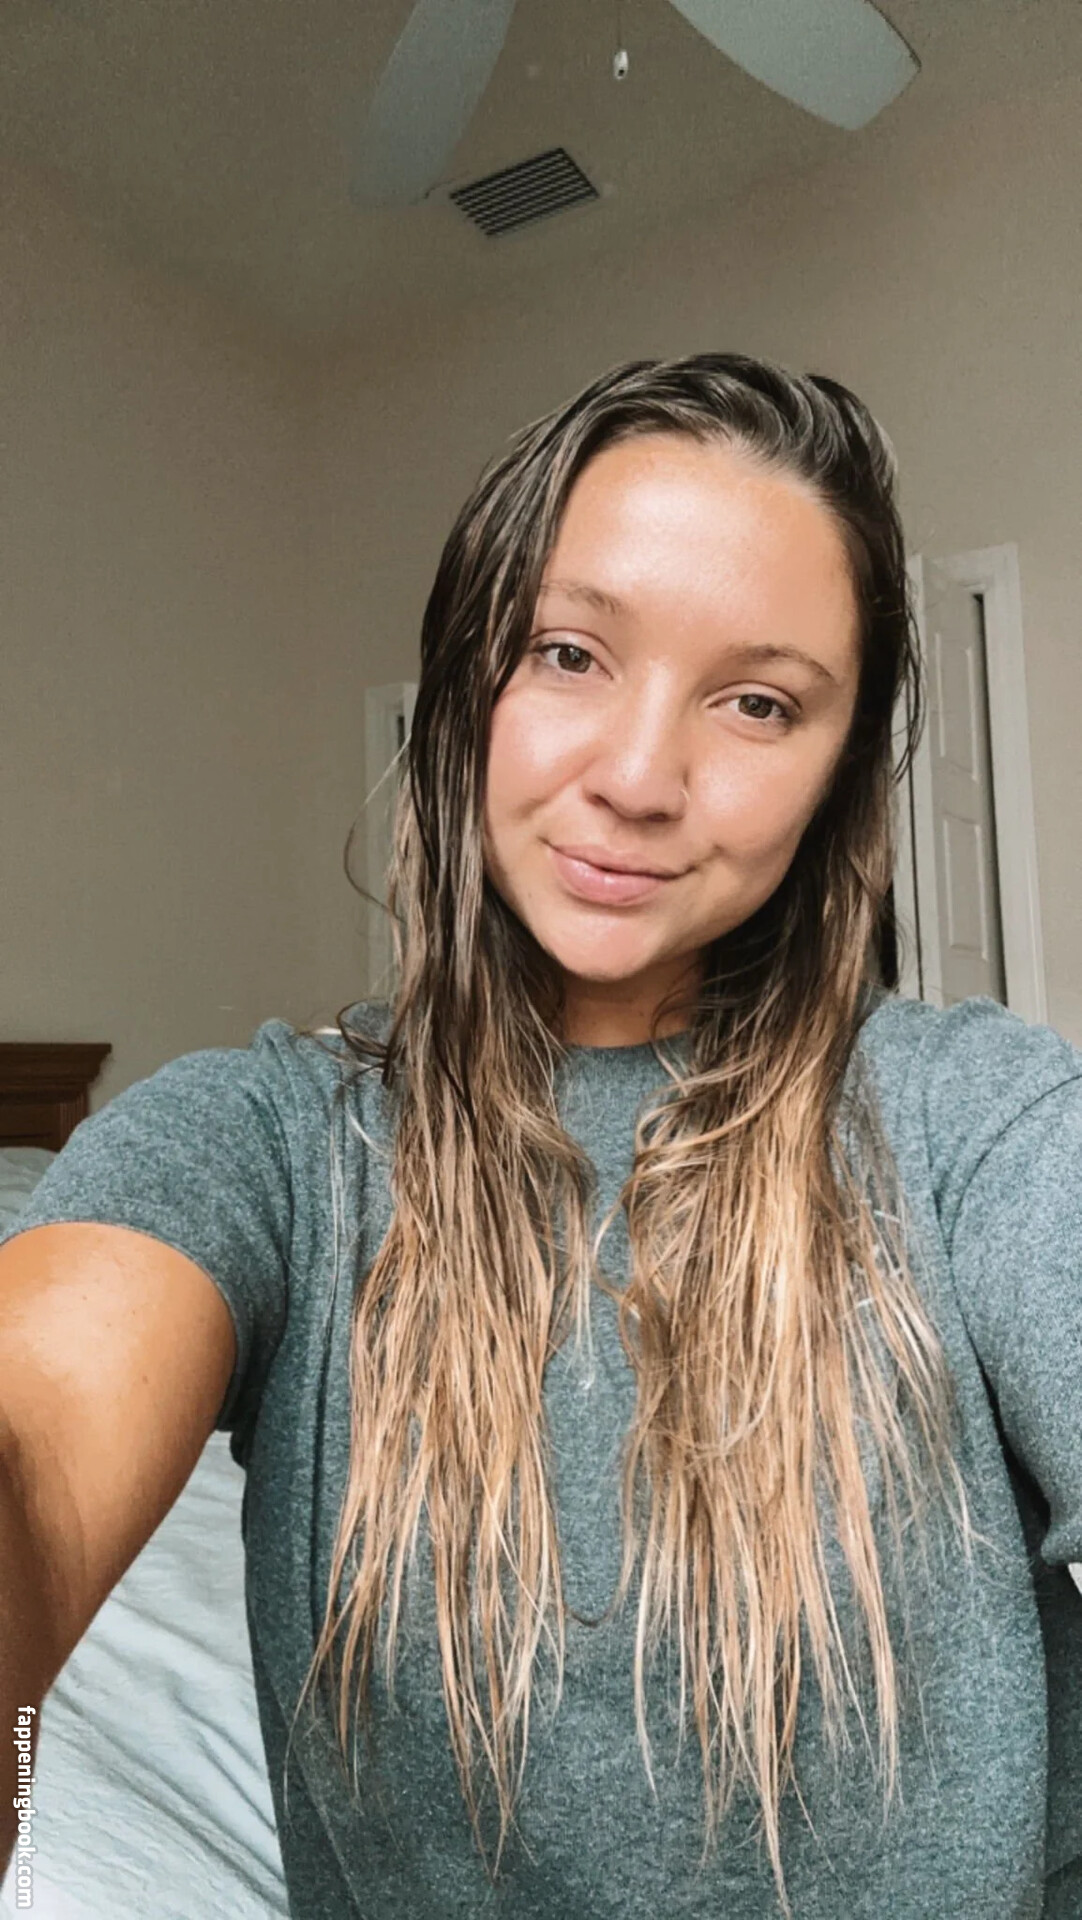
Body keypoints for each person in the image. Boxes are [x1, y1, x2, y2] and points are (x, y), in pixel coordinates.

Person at [1, 352, 1080, 1919]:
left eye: (758, 702)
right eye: (568, 654)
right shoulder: (268, 1142)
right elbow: (38, 1440)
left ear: (837, 772)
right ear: (466, 686)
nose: (637, 779)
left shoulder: (977, 1116)